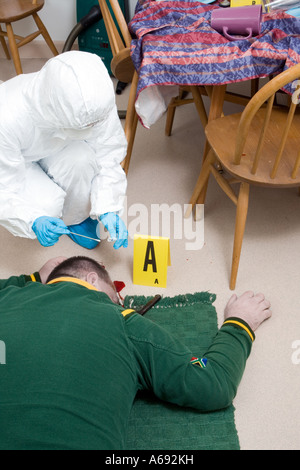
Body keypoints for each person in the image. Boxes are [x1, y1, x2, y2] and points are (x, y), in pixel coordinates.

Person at [0, 256, 272, 450]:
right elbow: (213, 384)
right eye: (116, 296)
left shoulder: (8, 297)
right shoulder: (124, 322)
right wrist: (240, 323)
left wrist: (32, 279)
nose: (119, 303)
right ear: (92, 278)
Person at [0, 51, 128, 250]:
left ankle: (77, 218)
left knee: (83, 160)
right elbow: (4, 188)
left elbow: (108, 153)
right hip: (19, 159)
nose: (92, 128)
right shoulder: (7, 116)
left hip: (58, 144)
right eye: (86, 126)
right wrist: (31, 220)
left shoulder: (97, 99)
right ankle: (44, 212)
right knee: (47, 207)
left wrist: (108, 206)